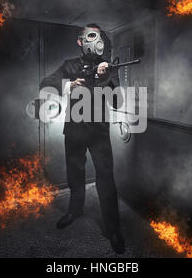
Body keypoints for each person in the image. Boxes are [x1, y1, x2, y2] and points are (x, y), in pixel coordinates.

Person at [39, 23, 125, 254]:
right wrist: (68, 84)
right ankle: (74, 211)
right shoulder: (70, 65)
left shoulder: (109, 68)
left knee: (106, 179)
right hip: (74, 131)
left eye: (98, 37)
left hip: (99, 133)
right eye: (89, 36)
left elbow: (118, 102)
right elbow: (46, 82)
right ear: (80, 41)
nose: (94, 42)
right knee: (75, 174)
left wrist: (106, 79)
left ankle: (113, 228)